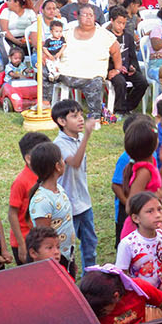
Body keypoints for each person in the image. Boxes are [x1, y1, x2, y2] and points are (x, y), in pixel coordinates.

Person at [51, 99, 101, 269]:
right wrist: (87, 135)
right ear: (61, 121)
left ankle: (90, 276)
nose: (80, 119)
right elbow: (75, 162)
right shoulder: (59, 144)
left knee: (90, 246)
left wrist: (83, 137)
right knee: (66, 248)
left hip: (84, 203)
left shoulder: (78, 139)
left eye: (81, 115)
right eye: (74, 116)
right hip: (68, 207)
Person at [115, 190, 162, 299]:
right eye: (150, 211)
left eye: (159, 209)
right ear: (136, 218)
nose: (157, 215)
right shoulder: (128, 244)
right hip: (141, 299)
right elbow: (121, 276)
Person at [28, 140, 79, 279]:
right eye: (62, 159)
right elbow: (44, 238)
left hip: (66, 255)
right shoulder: (42, 201)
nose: (64, 162)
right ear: (58, 166)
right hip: (54, 259)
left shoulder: (59, 189)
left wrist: (71, 261)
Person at [6, 132, 44, 264]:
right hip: (24, 242)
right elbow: (12, 214)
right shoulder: (21, 182)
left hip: (39, 239)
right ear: (29, 159)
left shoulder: (44, 176)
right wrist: (22, 245)